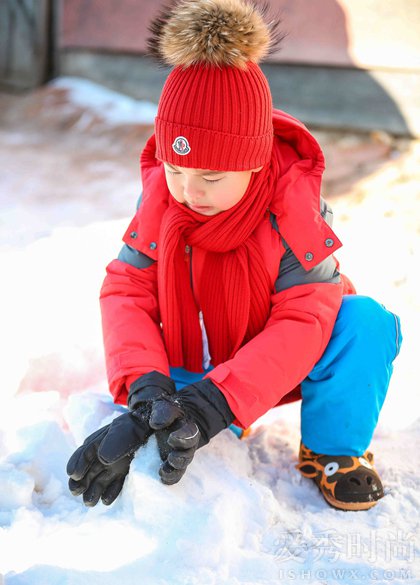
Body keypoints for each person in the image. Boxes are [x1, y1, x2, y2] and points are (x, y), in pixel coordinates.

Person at [66, 0, 402, 511]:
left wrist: (218, 403)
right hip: (190, 364)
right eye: (175, 170)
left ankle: (332, 451)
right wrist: (147, 390)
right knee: (158, 429)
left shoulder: (294, 213)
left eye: (211, 177)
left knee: (366, 322)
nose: (187, 191)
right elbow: (126, 289)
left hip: (274, 359)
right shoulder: (163, 198)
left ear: (253, 160)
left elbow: (305, 318)